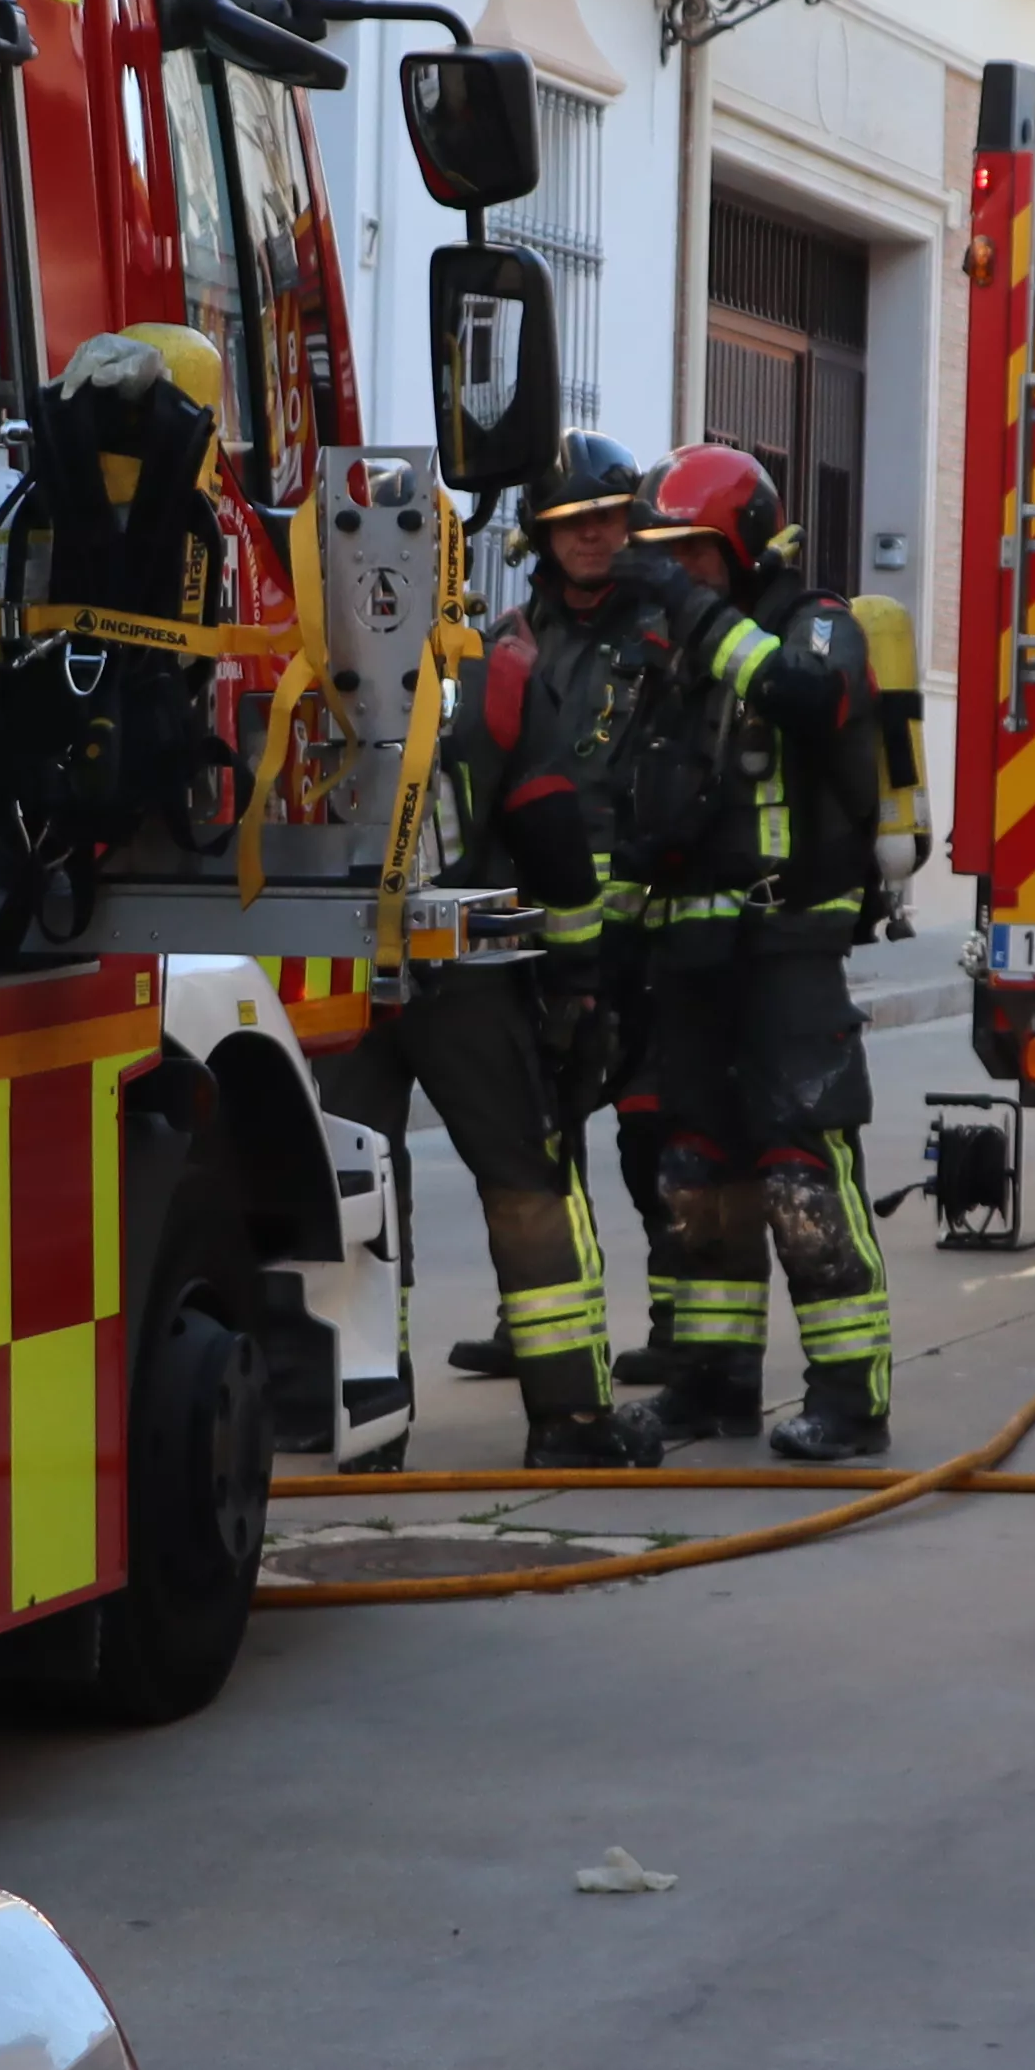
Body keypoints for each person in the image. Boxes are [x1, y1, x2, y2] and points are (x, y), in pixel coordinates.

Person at [603, 444, 897, 1463]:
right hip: (687, 952)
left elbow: (809, 697)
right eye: (663, 555)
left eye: (692, 552)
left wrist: (693, 615)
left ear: (741, 542)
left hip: (787, 947)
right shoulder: (667, 648)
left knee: (800, 1174)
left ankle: (851, 1400)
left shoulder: (816, 624)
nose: (676, 572)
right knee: (698, 1177)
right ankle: (710, 1386)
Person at [398, 433, 671, 1469]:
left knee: (357, 1183)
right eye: (569, 525)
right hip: (487, 953)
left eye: (606, 519)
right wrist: (570, 970)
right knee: (530, 1168)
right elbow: (551, 827)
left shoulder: (296, 660)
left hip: (341, 967)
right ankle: (569, 1413)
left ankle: (350, 1414)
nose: (592, 539)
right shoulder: (503, 657)